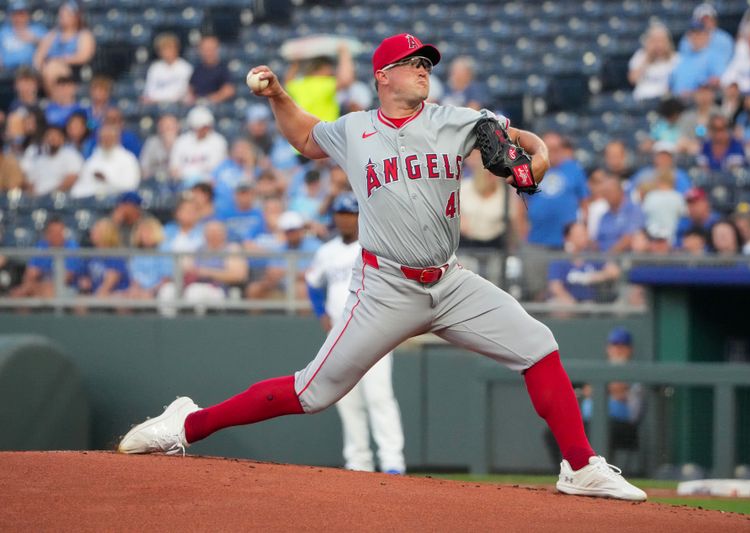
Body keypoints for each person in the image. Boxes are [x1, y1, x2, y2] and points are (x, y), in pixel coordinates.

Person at [118, 33, 646, 502]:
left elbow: (528, 145)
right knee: (311, 392)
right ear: (383, 76)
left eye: (427, 63)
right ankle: (186, 425)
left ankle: (580, 467)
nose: (424, 69)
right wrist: (279, 95)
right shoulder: (355, 130)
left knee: (538, 344)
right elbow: (304, 136)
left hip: (450, 280)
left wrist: (538, 160)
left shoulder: (457, 120)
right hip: (385, 285)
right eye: (413, 61)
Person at [305, 192, 406, 474]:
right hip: (339, 333)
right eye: (341, 213)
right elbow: (312, 283)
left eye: (351, 213)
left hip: (374, 331)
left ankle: (392, 462)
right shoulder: (326, 251)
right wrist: (320, 313)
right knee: (347, 401)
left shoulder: (374, 243)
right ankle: (358, 462)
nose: (345, 218)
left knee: (379, 397)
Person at [579, 328, 645, 466]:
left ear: (629, 349)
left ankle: (604, 472)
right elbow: (588, 390)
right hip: (590, 420)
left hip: (622, 425)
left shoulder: (635, 369)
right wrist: (612, 390)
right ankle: (567, 471)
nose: (617, 349)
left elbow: (619, 387)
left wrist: (609, 389)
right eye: (614, 345)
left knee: (607, 429)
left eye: (622, 345)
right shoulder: (601, 368)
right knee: (558, 431)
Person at [518, 132, 589, 249]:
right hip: (536, 240)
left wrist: (583, 232)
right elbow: (521, 205)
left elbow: (585, 204)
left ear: (561, 149)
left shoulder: (574, 170)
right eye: (548, 148)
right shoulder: (531, 169)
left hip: (567, 241)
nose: (552, 152)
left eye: (556, 149)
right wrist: (523, 232)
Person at [245, 211, 321, 301]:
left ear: (301, 229)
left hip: (304, 285)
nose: (291, 234)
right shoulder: (279, 248)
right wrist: (272, 277)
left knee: (301, 289)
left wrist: (287, 272)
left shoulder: (314, 246)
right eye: (288, 231)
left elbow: (314, 274)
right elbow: (271, 272)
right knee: (254, 289)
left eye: (293, 230)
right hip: (281, 285)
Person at [547, 221, 620, 306]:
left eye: (585, 234)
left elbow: (614, 271)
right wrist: (572, 303)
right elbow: (555, 286)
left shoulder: (592, 255)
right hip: (567, 302)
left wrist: (592, 277)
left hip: (589, 302)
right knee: (560, 307)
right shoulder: (559, 259)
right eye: (579, 235)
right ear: (567, 237)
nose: (584, 238)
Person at [9, 216, 80, 299]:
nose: (57, 235)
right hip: (40, 288)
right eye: (53, 232)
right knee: (18, 294)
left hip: (68, 289)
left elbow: (66, 278)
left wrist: (41, 274)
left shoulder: (71, 247)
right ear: (47, 234)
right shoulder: (41, 246)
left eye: (60, 232)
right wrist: (32, 286)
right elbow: (30, 274)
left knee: (48, 292)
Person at [33, 1, 95, 94]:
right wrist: (41, 67)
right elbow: (38, 57)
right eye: (62, 15)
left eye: (68, 15)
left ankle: (56, 100)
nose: (64, 18)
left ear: (76, 17)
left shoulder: (83, 35)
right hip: (47, 70)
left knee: (53, 68)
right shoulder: (52, 35)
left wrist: (61, 60)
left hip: (73, 71)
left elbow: (83, 56)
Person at [285, 43, 355, 123]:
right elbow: (346, 80)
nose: (331, 71)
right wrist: (344, 54)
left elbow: (288, 82)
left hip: (303, 129)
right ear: (323, 67)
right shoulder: (324, 83)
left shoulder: (299, 84)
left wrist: (295, 62)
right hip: (324, 130)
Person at [71, 123, 141, 199]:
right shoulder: (92, 161)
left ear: (117, 138)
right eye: (103, 138)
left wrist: (107, 180)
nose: (106, 140)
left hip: (117, 201)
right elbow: (80, 186)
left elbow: (130, 186)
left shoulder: (128, 159)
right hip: (92, 202)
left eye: (109, 137)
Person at [170, 106, 228, 186]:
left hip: (209, 184)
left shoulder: (218, 141)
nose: (204, 130)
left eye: (206, 126)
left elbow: (217, 170)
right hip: (184, 182)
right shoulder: (182, 141)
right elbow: (174, 169)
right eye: (201, 127)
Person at [20, 123, 83, 196]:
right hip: (39, 201)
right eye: (49, 136)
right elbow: (30, 183)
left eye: (55, 136)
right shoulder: (40, 160)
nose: (52, 139)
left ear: (62, 138)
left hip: (62, 199)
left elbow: (72, 178)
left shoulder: (71, 155)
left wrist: (52, 194)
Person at [76, 217, 129, 298]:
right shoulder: (91, 255)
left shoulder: (115, 256)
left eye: (96, 230)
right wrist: (84, 282)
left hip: (113, 294)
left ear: (105, 233)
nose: (92, 232)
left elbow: (107, 285)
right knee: (80, 301)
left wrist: (93, 299)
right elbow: (83, 277)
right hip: (95, 294)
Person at [670, 21, 726, 97]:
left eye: (699, 34)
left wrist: (694, 93)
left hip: (699, 101)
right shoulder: (682, 58)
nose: (695, 37)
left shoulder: (714, 57)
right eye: (692, 34)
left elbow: (717, 82)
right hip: (677, 101)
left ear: (707, 36)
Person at [125, 217, 173, 301]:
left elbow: (166, 278)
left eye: (148, 232)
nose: (145, 235)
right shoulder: (136, 252)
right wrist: (136, 290)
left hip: (158, 289)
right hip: (140, 290)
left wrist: (151, 291)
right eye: (142, 232)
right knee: (124, 298)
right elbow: (134, 276)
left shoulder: (164, 249)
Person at [628, 23, 679, 101]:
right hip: (642, 100)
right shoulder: (640, 56)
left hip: (665, 101)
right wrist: (648, 58)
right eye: (654, 41)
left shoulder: (676, 58)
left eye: (661, 40)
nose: (658, 45)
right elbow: (633, 79)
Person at [595, 174, 645, 253]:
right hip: (603, 259)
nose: (606, 196)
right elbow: (597, 240)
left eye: (609, 192)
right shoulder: (604, 216)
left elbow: (630, 237)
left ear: (620, 191)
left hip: (625, 260)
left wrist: (610, 255)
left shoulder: (633, 210)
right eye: (604, 193)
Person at [142, 32, 193, 104]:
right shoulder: (155, 68)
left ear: (176, 49)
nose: (167, 52)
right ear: (159, 52)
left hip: (178, 105)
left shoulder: (185, 68)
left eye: (170, 48)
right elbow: (149, 92)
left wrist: (158, 98)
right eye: (164, 49)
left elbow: (180, 93)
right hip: (156, 105)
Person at [640, 170, 687, 245]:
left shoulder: (651, 196)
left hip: (652, 239)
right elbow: (685, 215)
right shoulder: (677, 197)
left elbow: (643, 216)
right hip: (671, 239)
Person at [0, 0, 47, 72]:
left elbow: (50, 47)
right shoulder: (3, 32)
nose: (18, 17)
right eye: (15, 14)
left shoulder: (38, 29)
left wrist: (34, 40)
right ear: (10, 16)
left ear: (28, 15)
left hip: (31, 70)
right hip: (7, 69)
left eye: (21, 13)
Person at [187, 34, 234, 105]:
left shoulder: (223, 69)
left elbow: (229, 90)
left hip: (216, 106)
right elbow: (191, 88)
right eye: (205, 50)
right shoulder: (197, 69)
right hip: (198, 104)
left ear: (216, 50)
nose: (208, 53)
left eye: (210, 49)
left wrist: (212, 99)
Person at [139, 113, 180, 181]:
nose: (167, 130)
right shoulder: (151, 142)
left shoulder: (183, 142)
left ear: (177, 127)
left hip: (176, 181)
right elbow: (143, 168)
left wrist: (170, 146)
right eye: (164, 126)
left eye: (170, 127)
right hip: (154, 180)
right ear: (159, 128)